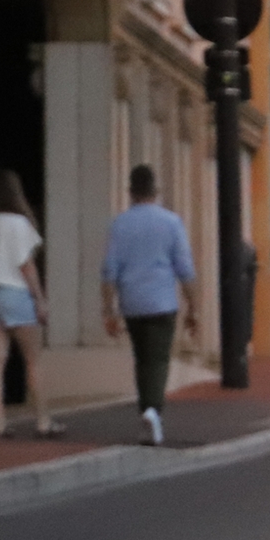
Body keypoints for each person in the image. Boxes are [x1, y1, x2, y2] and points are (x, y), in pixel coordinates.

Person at [100, 163, 199, 447]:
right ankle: (153, 411)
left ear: (131, 192)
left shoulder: (119, 224)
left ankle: (146, 410)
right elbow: (185, 268)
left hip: (131, 301)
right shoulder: (171, 222)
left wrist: (109, 309)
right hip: (162, 301)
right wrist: (194, 307)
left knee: (142, 358)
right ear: (155, 190)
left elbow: (109, 270)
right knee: (157, 360)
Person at [0, 170, 60, 439]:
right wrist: (40, 299)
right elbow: (25, 265)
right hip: (15, 292)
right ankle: (43, 421)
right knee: (32, 361)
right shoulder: (18, 224)